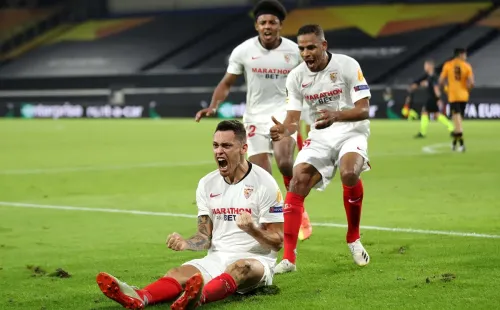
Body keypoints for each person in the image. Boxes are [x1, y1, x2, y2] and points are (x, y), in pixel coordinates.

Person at [96, 120, 285, 310]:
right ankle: (140, 297)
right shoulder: (207, 184)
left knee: (240, 267)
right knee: (177, 273)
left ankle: (197, 298)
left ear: (243, 148)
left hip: (256, 261)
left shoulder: (264, 183)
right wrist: (187, 242)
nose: (219, 151)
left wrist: (252, 229)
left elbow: (277, 241)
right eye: (215, 145)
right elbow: (204, 237)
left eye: (226, 146)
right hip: (218, 257)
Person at [194, 0, 312, 240]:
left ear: (280, 25)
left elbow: (310, 79)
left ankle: (299, 207)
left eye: (272, 22)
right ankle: (276, 216)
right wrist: (213, 105)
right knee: (261, 175)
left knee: (284, 162)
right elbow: (227, 82)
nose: (267, 26)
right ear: (256, 26)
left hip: (284, 112)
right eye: (263, 22)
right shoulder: (244, 51)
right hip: (255, 117)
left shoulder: (293, 50)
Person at [270, 24, 371, 274]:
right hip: (321, 135)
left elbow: (364, 109)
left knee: (349, 173)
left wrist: (337, 115)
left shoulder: (347, 65)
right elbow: (293, 117)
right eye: (302, 48)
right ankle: (289, 259)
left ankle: (353, 239)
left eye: (311, 47)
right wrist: (285, 128)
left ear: (323, 46)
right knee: (298, 180)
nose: (306, 53)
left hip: (351, 130)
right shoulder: (296, 77)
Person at [439, 48, 474, 152]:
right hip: (464, 96)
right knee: (458, 123)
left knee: (457, 124)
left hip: (453, 96)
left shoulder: (448, 65)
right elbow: (471, 83)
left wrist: (446, 88)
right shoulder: (467, 66)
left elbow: (441, 80)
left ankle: (459, 145)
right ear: (460, 55)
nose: (466, 56)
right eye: (465, 55)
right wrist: (467, 88)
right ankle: (457, 145)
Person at [413, 59, 454, 138]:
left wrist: (438, 99)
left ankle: (423, 132)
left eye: (426, 65)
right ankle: (451, 128)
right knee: (436, 115)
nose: (425, 67)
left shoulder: (433, 77)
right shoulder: (430, 77)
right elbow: (432, 86)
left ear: (430, 66)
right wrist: (425, 84)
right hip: (432, 98)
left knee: (425, 112)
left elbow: (436, 88)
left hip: (432, 98)